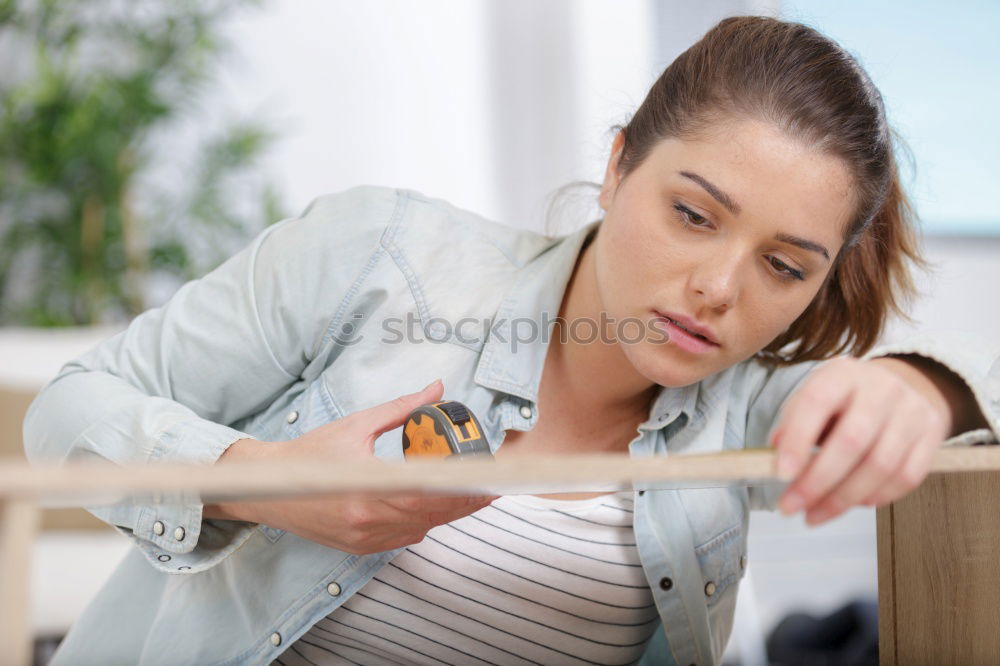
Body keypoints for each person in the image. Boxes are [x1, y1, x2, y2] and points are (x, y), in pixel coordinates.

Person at [23, 15, 999, 666]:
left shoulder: (748, 410)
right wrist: (259, 479)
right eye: (694, 215)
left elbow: (939, 414)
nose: (717, 288)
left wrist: (919, 391)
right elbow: (68, 411)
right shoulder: (380, 256)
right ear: (618, 166)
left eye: (784, 267)